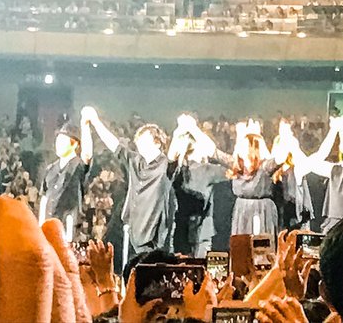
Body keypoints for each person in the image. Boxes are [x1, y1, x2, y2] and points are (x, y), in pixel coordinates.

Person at [81, 105, 176, 265]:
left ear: (157, 143)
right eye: (138, 141)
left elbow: (175, 154)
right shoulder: (136, 161)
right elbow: (114, 145)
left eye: (144, 140)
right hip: (131, 230)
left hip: (153, 235)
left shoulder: (166, 166)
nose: (139, 144)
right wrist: (95, 122)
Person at [168, 113, 233, 256]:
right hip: (198, 231)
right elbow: (233, 167)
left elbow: (169, 158)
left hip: (181, 228)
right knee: (200, 270)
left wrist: (179, 132)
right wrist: (194, 129)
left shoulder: (176, 170)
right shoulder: (205, 170)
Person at [37, 120, 87, 241]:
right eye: (57, 141)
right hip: (48, 227)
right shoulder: (51, 169)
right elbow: (44, 198)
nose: (58, 144)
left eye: (62, 141)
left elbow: (87, 156)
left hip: (67, 229)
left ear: (74, 144)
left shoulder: (78, 166)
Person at [228, 122, 280, 239]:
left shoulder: (264, 167)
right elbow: (214, 152)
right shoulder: (236, 165)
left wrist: (258, 138)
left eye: (243, 144)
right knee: (241, 246)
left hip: (261, 211)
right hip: (242, 211)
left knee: (260, 248)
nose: (238, 146)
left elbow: (279, 158)